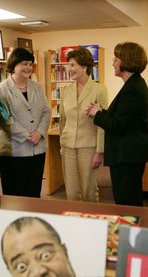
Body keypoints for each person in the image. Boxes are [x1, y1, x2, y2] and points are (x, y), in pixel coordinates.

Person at [86, 42, 148, 206]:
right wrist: (102, 111)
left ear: (125, 61)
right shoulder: (133, 85)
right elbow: (122, 117)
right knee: (126, 199)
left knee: (127, 201)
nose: (113, 63)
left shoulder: (133, 88)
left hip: (128, 155)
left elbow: (118, 125)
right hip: (127, 154)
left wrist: (97, 114)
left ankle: (130, 231)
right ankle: (129, 230)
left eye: (115, 59)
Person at [0, 48, 51, 198]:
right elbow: (5, 119)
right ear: (14, 64)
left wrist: (39, 132)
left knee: (33, 191)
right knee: (15, 194)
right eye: (24, 63)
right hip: (14, 151)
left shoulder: (37, 87)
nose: (28, 68)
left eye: (31, 64)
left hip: (37, 149)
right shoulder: (1, 89)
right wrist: (28, 135)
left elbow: (46, 111)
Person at [60, 47, 108, 202]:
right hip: (68, 147)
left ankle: (92, 224)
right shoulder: (66, 91)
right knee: (72, 193)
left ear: (85, 67)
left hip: (89, 147)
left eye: (73, 65)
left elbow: (102, 123)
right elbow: (63, 120)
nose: (69, 69)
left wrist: (100, 151)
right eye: (69, 65)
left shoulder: (99, 90)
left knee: (88, 192)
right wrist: (62, 144)